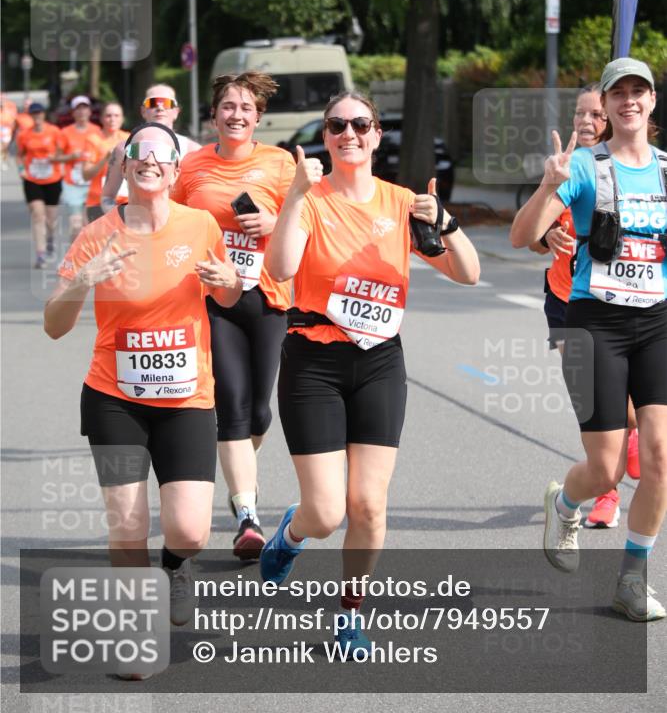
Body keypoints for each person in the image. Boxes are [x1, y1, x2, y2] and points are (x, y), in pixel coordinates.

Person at [259, 89, 480, 653]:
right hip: (314, 362)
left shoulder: (402, 202)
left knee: (369, 505)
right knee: (327, 511)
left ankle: (350, 611)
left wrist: (448, 224)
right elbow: (281, 268)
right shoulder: (311, 200)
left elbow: (469, 274)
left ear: (377, 135)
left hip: (380, 361)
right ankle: (292, 531)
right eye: (337, 126)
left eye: (361, 124)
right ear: (326, 137)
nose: (349, 134)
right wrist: (291, 199)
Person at [44, 122, 242, 677]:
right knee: (127, 525)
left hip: (186, 399)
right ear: (125, 167)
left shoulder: (200, 224)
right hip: (114, 399)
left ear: (176, 171)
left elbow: (225, 291)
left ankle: (177, 565)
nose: (149, 162)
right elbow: (54, 327)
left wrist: (229, 279)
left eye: (161, 155)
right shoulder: (97, 234)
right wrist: (81, 281)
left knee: (190, 530)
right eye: (138, 154)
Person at [511, 57, 667, 621]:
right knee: (606, 469)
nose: (630, 101)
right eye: (618, 92)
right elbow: (522, 234)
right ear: (606, 104)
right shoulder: (582, 166)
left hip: (656, 322)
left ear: (652, 102)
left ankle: (631, 579)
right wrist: (550, 185)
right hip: (592, 323)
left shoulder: (666, 171)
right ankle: (566, 501)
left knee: (658, 457)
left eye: (639, 91)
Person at [170, 72, 296, 561]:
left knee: (260, 412)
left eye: (245, 107)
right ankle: (247, 515)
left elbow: (309, 221)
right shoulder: (194, 165)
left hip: (268, 297)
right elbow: (171, 218)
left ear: (258, 116)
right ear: (214, 114)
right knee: (233, 405)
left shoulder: (279, 163)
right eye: (227, 106)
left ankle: (238, 473)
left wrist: (274, 222)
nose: (236, 115)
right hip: (211, 299)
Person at [530, 84, 640, 529]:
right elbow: (532, 237)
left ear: (610, 120)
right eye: (580, 113)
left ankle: (626, 440)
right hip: (567, 305)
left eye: (595, 114)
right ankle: (606, 494)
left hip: (623, 306)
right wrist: (547, 237)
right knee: (598, 407)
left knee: (630, 410)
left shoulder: (628, 168)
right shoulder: (565, 166)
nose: (585, 121)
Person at [101, 84, 200, 212]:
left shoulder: (193, 150)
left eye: (166, 103)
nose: (160, 107)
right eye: (153, 103)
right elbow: (107, 197)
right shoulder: (122, 149)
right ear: (143, 111)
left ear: (176, 112)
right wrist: (123, 220)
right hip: (135, 226)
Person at [15, 102, 63, 268]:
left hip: (52, 179)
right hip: (32, 178)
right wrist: (21, 169)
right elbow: (20, 155)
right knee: (37, 214)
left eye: (39, 113)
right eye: (33, 113)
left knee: (51, 219)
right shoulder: (24, 135)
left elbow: (62, 151)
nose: (37, 116)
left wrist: (56, 158)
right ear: (30, 115)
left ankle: (50, 239)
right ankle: (40, 254)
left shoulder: (54, 131)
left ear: (44, 114)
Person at [58, 95, 103, 241]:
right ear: (73, 112)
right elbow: (55, 157)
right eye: (78, 109)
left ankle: (88, 258)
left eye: (85, 108)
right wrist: (71, 156)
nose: (82, 112)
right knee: (76, 224)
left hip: (93, 183)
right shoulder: (65, 132)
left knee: (91, 224)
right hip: (73, 184)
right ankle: (74, 259)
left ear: (90, 111)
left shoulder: (98, 131)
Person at [83, 101, 129, 222]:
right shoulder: (93, 140)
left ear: (122, 119)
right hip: (97, 200)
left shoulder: (129, 138)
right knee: (100, 241)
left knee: (125, 240)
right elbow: (86, 175)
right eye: (108, 115)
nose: (112, 119)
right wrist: (106, 158)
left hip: (125, 200)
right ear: (101, 118)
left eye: (116, 115)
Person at [1, 94, 18, 170]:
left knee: (5, 148)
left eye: (2, 98)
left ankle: (4, 160)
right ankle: (2, 162)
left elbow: (14, 118)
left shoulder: (10, 106)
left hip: (7, 130)